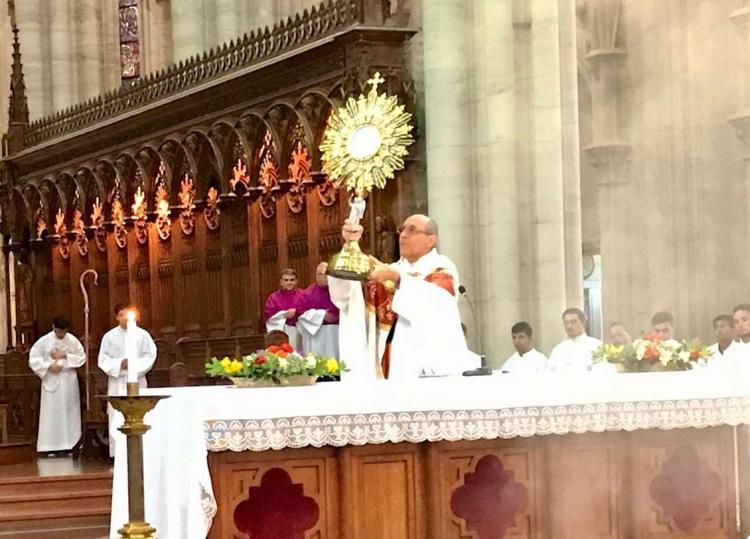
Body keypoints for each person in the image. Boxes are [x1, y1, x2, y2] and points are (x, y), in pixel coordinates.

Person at [329, 214, 478, 379]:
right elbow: (347, 298)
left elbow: (436, 305)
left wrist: (398, 278)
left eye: (412, 230)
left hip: (428, 368)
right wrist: (349, 248)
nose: (403, 234)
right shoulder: (389, 270)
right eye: (402, 230)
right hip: (388, 365)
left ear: (431, 239)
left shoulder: (441, 267)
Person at [98, 303, 157, 458]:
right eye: (123, 314)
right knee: (117, 416)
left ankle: (139, 451)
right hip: (117, 381)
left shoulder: (142, 335)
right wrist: (119, 364)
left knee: (140, 414)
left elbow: (150, 355)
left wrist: (134, 366)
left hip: (137, 380)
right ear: (117, 316)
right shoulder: (109, 336)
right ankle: (117, 453)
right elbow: (103, 359)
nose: (127, 318)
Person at [28, 315, 86, 455]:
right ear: (53, 327)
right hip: (52, 380)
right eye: (59, 332)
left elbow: (81, 357)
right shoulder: (44, 341)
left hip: (68, 380)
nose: (62, 335)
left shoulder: (72, 341)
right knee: (52, 414)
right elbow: (33, 359)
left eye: (64, 332)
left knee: (69, 412)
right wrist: (48, 366)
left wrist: (66, 356)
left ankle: (71, 445)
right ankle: (50, 446)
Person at [298, 262, 339, 358]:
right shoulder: (307, 294)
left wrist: (336, 316)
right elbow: (300, 313)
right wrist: (321, 315)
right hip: (315, 333)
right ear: (316, 276)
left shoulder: (338, 291)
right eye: (321, 274)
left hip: (335, 332)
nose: (324, 276)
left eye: (327, 273)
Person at [264, 268, 305, 351]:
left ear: (296, 281)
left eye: (292, 280)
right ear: (281, 282)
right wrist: (283, 314)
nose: (289, 282)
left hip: (300, 329)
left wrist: (297, 312)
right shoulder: (273, 298)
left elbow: (309, 310)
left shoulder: (303, 295)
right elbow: (268, 315)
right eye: (286, 280)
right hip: (282, 330)